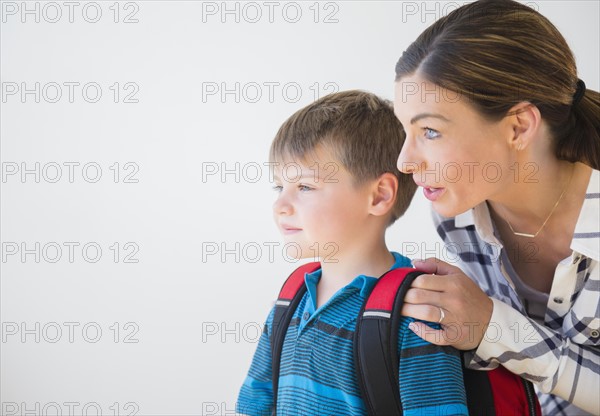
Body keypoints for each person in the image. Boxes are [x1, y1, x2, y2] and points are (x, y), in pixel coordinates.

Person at [392, 1, 600, 415]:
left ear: (518, 126)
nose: (404, 161)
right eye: (405, 129)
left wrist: (493, 326)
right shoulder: (458, 216)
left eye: (430, 131)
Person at [236, 90, 468, 415]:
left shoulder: (415, 313)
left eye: (304, 187)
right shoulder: (291, 299)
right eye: (279, 188)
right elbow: (255, 405)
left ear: (379, 196)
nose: (280, 206)